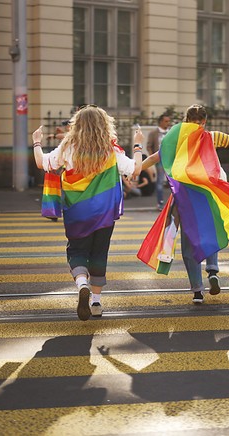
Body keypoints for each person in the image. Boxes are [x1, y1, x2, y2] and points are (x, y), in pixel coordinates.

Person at [140, 104, 229, 304]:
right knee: (210, 232)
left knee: (189, 244)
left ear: (185, 121)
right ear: (204, 122)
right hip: (207, 196)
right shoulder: (211, 137)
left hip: (184, 198)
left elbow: (156, 157)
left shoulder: (176, 140)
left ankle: (197, 291)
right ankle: (213, 271)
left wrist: (136, 170)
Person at [32, 105, 143, 321]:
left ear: (77, 125)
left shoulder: (67, 147)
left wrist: (37, 141)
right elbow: (135, 170)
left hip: (77, 212)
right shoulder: (112, 150)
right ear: (104, 126)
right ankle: (96, 302)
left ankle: (82, 283)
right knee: (99, 253)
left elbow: (42, 163)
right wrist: (138, 144)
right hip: (104, 213)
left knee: (77, 251)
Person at [147, 113, 172, 210]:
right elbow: (149, 146)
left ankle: (174, 204)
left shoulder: (171, 132)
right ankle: (160, 203)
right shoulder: (154, 133)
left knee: (174, 182)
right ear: (161, 122)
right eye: (166, 121)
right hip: (160, 160)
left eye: (169, 121)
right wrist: (152, 158)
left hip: (171, 160)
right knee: (160, 182)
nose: (168, 123)